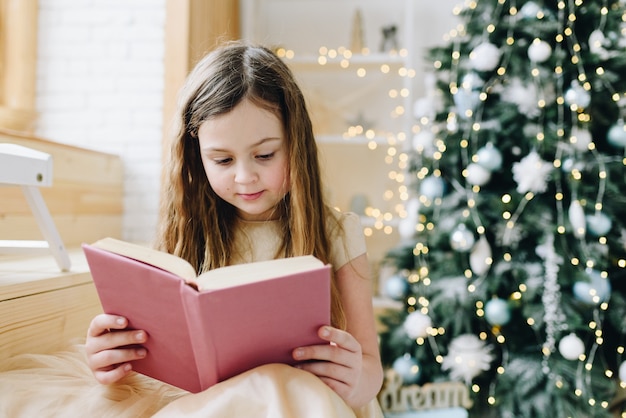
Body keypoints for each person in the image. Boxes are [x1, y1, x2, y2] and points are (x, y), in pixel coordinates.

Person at [85, 41, 384, 417]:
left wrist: (357, 377)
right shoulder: (187, 233)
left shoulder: (338, 231)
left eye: (265, 155)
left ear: (297, 143)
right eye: (223, 160)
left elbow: (372, 370)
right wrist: (110, 356)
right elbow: (158, 367)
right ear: (197, 157)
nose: (245, 177)